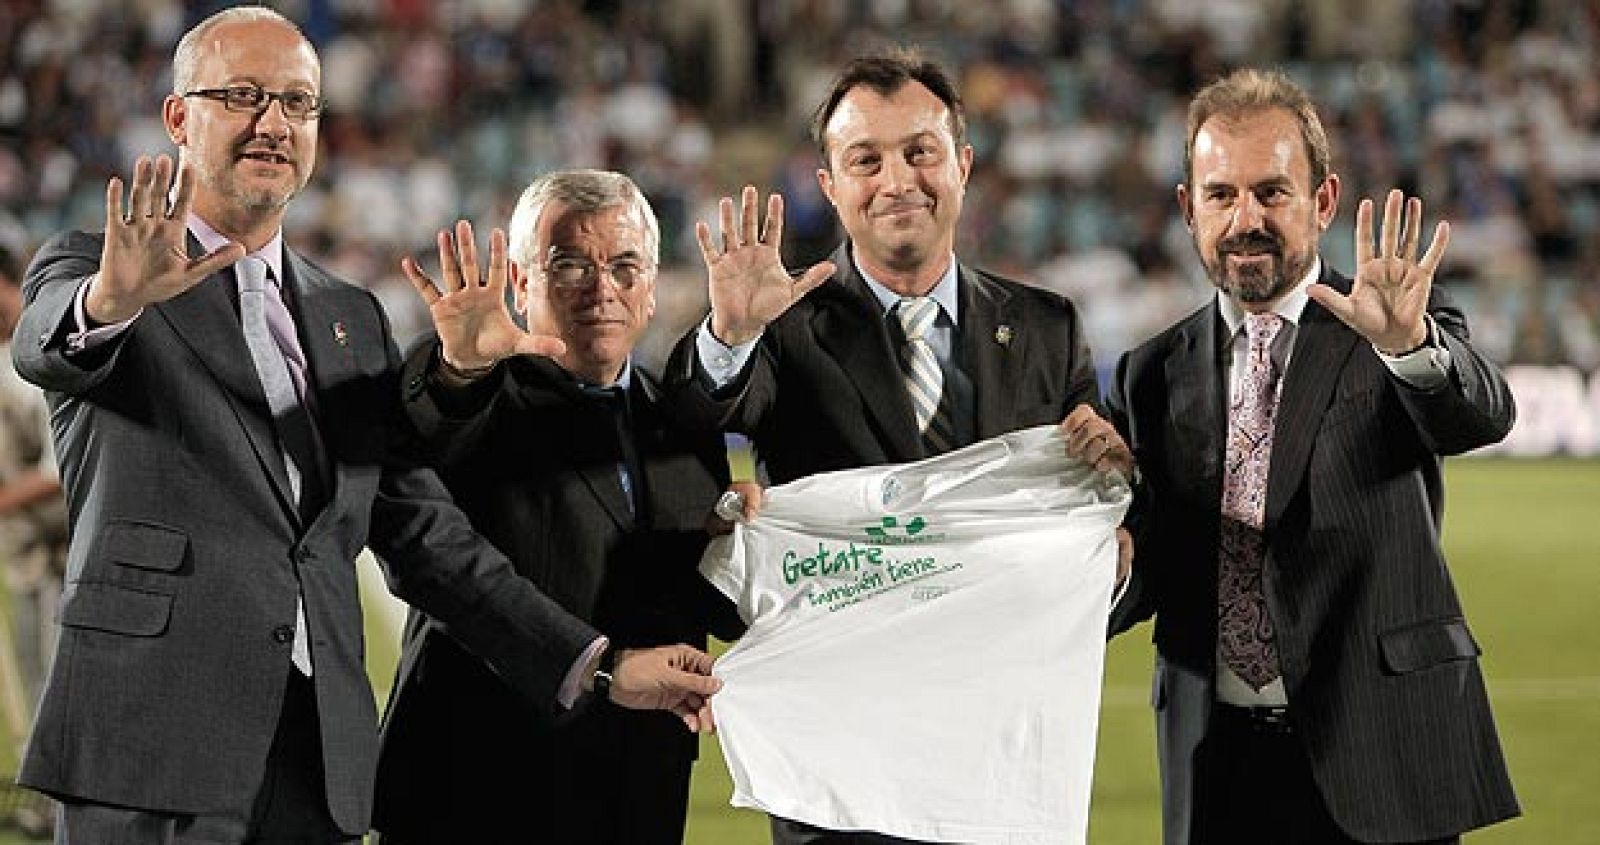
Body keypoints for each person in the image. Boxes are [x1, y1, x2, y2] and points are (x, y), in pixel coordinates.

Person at [12, 8, 719, 842]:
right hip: (153, 754)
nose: (273, 123)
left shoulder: (347, 316)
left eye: (297, 103)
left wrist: (600, 666)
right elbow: (51, 345)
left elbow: (429, 539)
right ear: (178, 117)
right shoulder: (92, 269)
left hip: (321, 765)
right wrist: (110, 300)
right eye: (242, 96)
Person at [662, 47, 1132, 844]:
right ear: (830, 186)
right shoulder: (784, 329)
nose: (896, 180)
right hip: (843, 772)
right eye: (865, 160)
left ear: (963, 164)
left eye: (920, 152)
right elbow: (695, 417)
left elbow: (1092, 516)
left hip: (1000, 760)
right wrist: (729, 334)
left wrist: (1114, 527)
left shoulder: (1050, 326)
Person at [1106, 68, 1520, 844]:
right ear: (1187, 207)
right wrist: (1104, 554)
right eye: (1222, 195)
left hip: (1380, 748)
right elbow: (1152, 566)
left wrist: (1409, 346)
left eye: (1272, 192)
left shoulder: (1388, 328)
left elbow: (1481, 412)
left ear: (1322, 201)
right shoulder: (1150, 372)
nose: (1245, 219)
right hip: (1213, 762)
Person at [373, 170, 746, 843]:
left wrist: (742, 544)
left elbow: (707, 606)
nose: (601, 288)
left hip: (639, 793)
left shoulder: (684, 424)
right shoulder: (475, 391)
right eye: (569, 264)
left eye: (625, 265)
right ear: (520, 284)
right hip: (476, 794)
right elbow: (429, 435)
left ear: (653, 285)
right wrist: (458, 373)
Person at [0, 244, 67, 837]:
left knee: (53, 679)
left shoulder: (40, 351)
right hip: (25, 551)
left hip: (62, 550)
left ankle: (53, 805)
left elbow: (54, 472)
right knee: (30, 673)